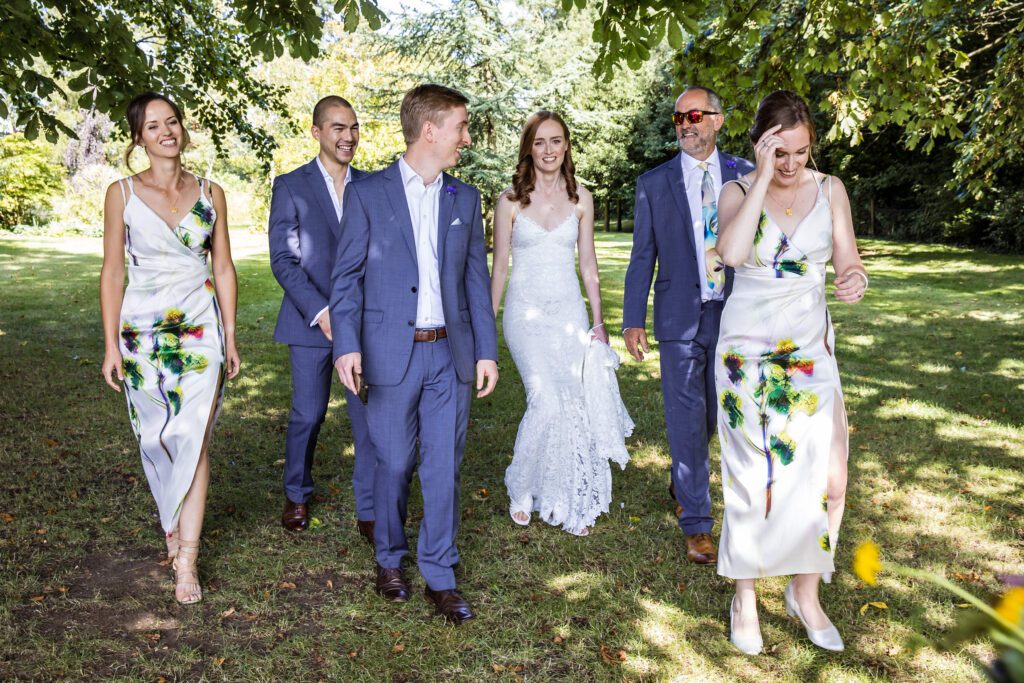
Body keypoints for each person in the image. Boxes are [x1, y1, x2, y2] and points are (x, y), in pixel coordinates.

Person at [329, 84, 499, 624]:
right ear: (430, 130)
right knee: (394, 461)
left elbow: (475, 280)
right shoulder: (368, 193)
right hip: (386, 353)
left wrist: (486, 352)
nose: (465, 139)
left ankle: (440, 574)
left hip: (449, 355)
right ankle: (389, 557)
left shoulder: (465, 199)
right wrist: (347, 346)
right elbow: (347, 278)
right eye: (460, 128)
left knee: (443, 465)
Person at [714, 90, 866, 655]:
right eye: (779, 152)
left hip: (808, 350)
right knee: (753, 478)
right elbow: (730, 252)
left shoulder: (831, 191)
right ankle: (745, 595)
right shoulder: (735, 191)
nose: (790, 164)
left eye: (800, 152)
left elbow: (847, 260)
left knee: (828, 478)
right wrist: (757, 179)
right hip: (745, 354)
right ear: (760, 144)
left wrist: (854, 278)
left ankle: (805, 593)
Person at [100, 92, 240, 604]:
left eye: (173, 121)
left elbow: (223, 267)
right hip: (140, 334)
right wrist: (110, 344)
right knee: (156, 438)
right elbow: (113, 270)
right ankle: (171, 519)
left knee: (194, 436)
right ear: (139, 138)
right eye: (154, 125)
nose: (167, 131)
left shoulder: (212, 192)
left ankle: (188, 557)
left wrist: (231, 333)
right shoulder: (121, 195)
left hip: (201, 328)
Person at [621, 86, 754, 564]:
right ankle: (696, 522)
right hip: (678, 314)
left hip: (736, 313)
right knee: (682, 416)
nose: (685, 124)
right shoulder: (654, 183)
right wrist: (632, 318)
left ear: (718, 120)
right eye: (679, 118)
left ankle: (683, 477)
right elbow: (642, 256)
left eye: (695, 115)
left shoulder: (747, 175)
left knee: (713, 415)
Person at [490, 111, 633, 537]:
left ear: (566, 146)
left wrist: (599, 320)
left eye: (556, 141)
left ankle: (561, 492)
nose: (548, 150)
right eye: (539, 142)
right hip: (525, 314)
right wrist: (486, 326)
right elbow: (499, 269)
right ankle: (521, 485)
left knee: (572, 404)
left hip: (569, 313)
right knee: (545, 400)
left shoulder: (581, 199)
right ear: (528, 149)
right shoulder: (510, 201)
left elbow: (588, 264)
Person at [268, 96, 376, 542]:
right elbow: (283, 260)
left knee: (367, 417)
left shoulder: (374, 186)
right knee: (308, 415)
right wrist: (323, 311)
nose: (347, 136)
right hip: (309, 322)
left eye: (353, 127)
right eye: (337, 128)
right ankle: (296, 493)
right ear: (316, 132)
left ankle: (370, 508)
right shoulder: (290, 185)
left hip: (366, 322)